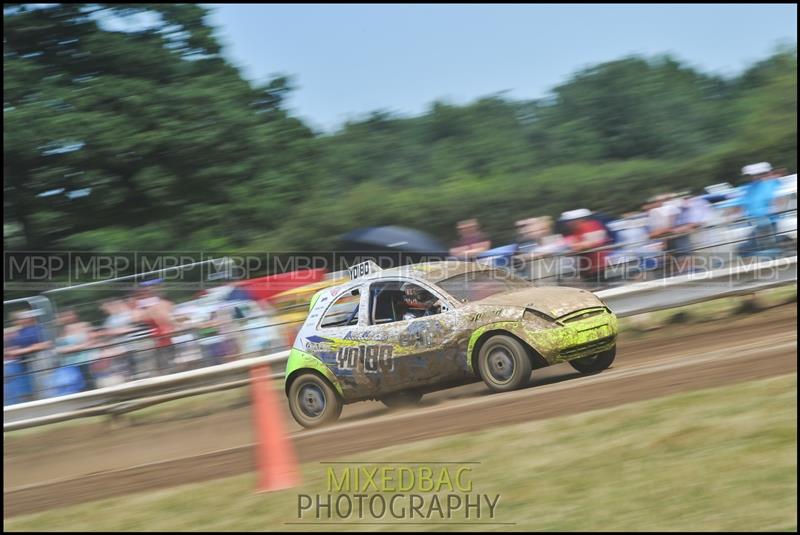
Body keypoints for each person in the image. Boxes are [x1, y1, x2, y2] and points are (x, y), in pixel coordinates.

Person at [559, 208, 612, 282]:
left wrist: (575, 246)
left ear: (580, 219)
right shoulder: (574, 230)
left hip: (599, 265)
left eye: (569, 221)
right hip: (587, 267)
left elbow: (592, 242)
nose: (567, 223)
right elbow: (566, 243)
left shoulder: (592, 225)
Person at [739, 162, 780, 256]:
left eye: (753, 175)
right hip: (760, 221)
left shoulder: (770, 184)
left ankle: (772, 257)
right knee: (752, 245)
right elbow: (746, 203)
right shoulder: (753, 187)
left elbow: (774, 201)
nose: (752, 177)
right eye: (751, 175)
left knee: (764, 244)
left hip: (768, 220)